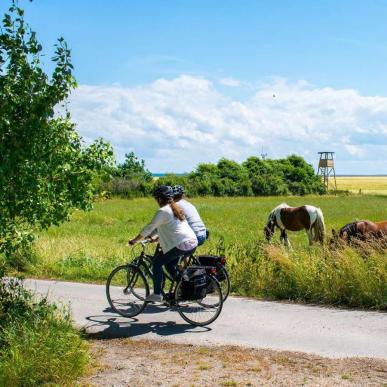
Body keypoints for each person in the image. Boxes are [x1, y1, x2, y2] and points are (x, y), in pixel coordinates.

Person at [129, 185, 198, 303]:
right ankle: (184, 286)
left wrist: (135, 240)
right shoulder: (176, 208)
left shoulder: (163, 211)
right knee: (170, 266)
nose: (156, 201)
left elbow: (149, 228)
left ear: (160, 199)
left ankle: (157, 294)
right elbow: (172, 229)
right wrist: (156, 238)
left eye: (156, 198)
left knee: (157, 263)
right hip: (192, 242)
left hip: (181, 244)